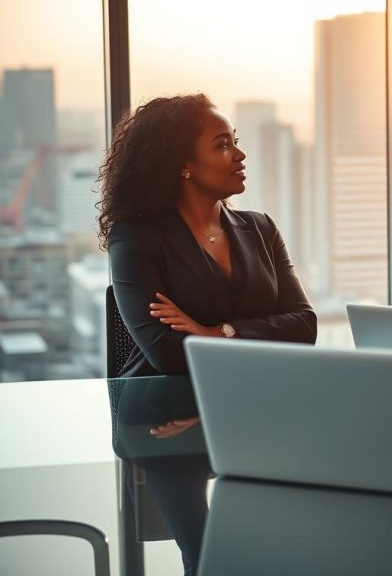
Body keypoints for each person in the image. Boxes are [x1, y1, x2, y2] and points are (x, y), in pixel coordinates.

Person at [99, 93, 317, 575]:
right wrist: (246, 341)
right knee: (213, 558)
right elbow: (166, 354)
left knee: (293, 541)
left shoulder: (259, 228)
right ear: (183, 166)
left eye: (235, 142)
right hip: (166, 421)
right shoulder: (135, 238)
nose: (239, 156)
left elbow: (305, 327)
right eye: (222, 146)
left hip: (256, 410)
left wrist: (216, 332)